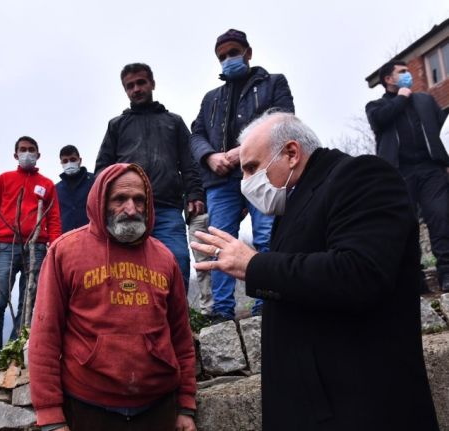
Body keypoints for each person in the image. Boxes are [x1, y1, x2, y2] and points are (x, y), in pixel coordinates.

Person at [191, 111, 439, 430]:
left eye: (252, 167)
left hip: (360, 411)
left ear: (292, 153)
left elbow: (359, 272)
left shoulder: (361, 176)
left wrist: (254, 265)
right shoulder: (293, 206)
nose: (245, 184)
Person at [30, 163, 197, 431]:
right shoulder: (65, 252)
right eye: (120, 199)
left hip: (159, 408)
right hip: (88, 407)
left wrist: (186, 406)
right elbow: (45, 338)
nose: (131, 209)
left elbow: (181, 337)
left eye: (139, 200)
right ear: (100, 200)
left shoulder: (165, 258)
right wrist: (50, 416)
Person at [190, 28, 295, 323]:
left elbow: (283, 118)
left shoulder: (273, 83)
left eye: (233, 53)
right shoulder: (211, 98)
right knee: (220, 241)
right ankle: (222, 311)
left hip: (263, 171)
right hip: (220, 182)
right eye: (222, 56)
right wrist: (209, 156)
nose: (228, 59)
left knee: (267, 236)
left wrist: (241, 152)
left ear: (248, 53)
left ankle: (269, 299)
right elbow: (196, 134)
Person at [95, 63, 205, 289]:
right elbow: (102, 170)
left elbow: (189, 162)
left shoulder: (173, 122)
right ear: (125, 90)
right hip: (128, 210)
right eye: (130, 86)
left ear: (152, 83)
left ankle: (177, 320)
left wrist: (195, 193)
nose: (136, 89)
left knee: (177, 261)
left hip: (167, 209)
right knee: (128, 269)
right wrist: (105, 203)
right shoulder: (116, 125)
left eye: (141, 83)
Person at [366, 59, 449, 292]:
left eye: (408, 71)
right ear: (388, 79)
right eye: (402, 72)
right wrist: (401, 97)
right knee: (405, 226)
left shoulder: (425, 100)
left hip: (431, 169)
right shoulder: (375, 107)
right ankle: (416, 279)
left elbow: (444, 130)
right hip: (399, 174)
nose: (408, 75)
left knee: (441, 217)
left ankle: (447, 273)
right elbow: (380, 122)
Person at [0, 136, 61, 361]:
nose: (27, 153)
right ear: (16, 155)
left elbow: (53, 217)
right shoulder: (4, 180)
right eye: (23, 150)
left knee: (28, 304)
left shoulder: (47, 185)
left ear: (38, 154)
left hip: (36, 248)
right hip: (6, 245)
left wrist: (54, 243)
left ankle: (14, 352)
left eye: (31, 150)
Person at [55, 145, 95, 232]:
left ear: (80, 160)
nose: (69, 163)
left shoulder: (94, 180)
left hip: (92, 234)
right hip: (66, 237)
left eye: (73, 159)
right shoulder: (56, 189)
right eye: (65, 161)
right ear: (61, 163)